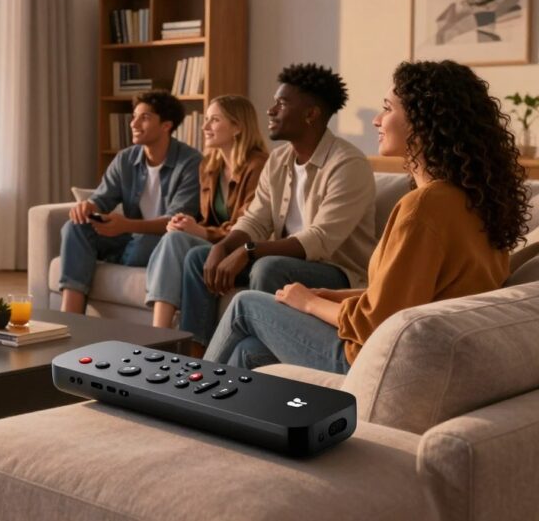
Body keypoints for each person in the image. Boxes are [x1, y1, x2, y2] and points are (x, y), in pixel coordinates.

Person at [206, 60, 530, 373]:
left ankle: (181, 387)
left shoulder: (423, 206)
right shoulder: (471, 199)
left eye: (388, 108)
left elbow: (375, 321)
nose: (377, 120)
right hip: (421, 351)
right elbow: (408, 295)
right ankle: (209, 419)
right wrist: (328, 296)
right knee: (247, 352)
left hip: (377, 358)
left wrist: (309, 303)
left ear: (422, 121)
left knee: (245, 305)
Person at [178, 64, 376, 355]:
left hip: (338, 270)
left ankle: (267, 348)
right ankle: (194, 357)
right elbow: (256, 219)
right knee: (199, 257)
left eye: (282, 104)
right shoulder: (279, 159)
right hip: (284, 259)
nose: (270, 111)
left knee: (268, 266)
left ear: (311, 114)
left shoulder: (348, 164)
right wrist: (223, 246)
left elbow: (319, 240)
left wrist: (247, 251)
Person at [59, 90, 201, 314]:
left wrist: (125, 225)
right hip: (129, 237)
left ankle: (106, 256)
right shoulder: (125, 158)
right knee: (75, 227)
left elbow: (177, 222)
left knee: (141, 246)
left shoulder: (191, 162)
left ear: (166, 125)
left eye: (144, 117)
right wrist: (89, 207)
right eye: (134, 116)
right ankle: (70, 317)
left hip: (163, 240)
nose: (133, 123)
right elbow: (103, 198)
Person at [145, 95, 269, 328]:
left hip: (240, 249)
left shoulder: (259, 166)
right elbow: (207, 220)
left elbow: (249, 226)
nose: (205, 127)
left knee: (174, 243)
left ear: (237, 127)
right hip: (217, 244)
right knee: (175, 236)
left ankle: (158, 333)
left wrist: (201, 232)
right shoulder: (209, 166)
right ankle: (160, 332)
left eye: (214, 120)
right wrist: (187, 224)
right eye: (206, 120)